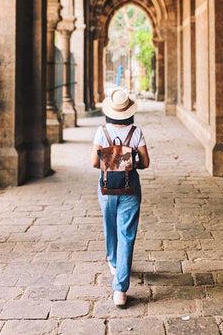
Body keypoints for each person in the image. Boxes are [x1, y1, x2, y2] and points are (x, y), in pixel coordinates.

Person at [91, 88, 150, 307]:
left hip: (106, 187)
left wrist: (110, 160)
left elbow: (94, 163)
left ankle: (115, 263)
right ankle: (120, 290)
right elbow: (145, 162)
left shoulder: (101, 132)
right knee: (127, 233)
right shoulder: (136, 132)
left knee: (110, 227)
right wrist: (128, 161)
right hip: (130, 188)